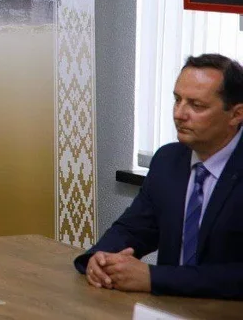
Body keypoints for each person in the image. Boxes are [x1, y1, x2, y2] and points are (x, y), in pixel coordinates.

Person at [75, 53, 243, 299]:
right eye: (177, 100)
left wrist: (154, 278)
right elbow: (134, 229)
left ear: (236, 114)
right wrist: (100, 259)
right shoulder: (168, 160)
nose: (179, 114)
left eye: (196, 105)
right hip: (167, 309)